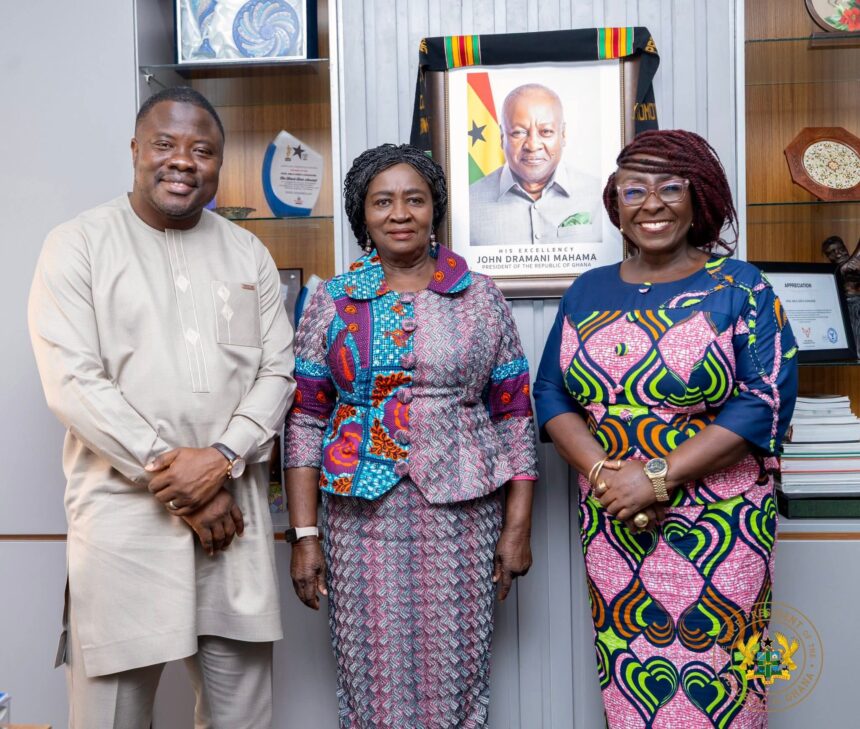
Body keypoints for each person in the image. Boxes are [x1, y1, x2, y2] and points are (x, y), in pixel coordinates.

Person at [28, 86, 295, 729]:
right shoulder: (78, 244)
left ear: (219, 163)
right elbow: (74, 382)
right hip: (125, 522)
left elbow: (278, 371)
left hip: (233, 521)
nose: (182, 161)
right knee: (111, 716)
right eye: (165, 144)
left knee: (242, 719)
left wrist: (222, 458)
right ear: (135, 151)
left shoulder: (248, 253)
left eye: (202, 150)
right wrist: (184, 483)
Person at [534, 129, 798, 726]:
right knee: (633, 683)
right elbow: (551, 392)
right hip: (615, 525)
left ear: (698, 195)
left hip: (723, 529)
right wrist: (604, 474)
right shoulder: (587, 291)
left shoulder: (741, 287)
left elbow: (762, 401)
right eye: (635, 189)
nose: (651, 203)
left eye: (670, 187)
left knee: (724, 687)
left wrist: (655, 476)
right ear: (616, 201)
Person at [284, 143, 538, 728]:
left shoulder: (480, 297)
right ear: (362, 214)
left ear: (434, 210)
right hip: (359, 520)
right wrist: (305, 535)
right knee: (370, 673)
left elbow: (514, 413)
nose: (399, 213)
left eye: (414, 200)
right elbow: (306, 417)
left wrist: (517, 526)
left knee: (457, 672)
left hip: (462, 517)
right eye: (382, 202)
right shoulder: (334, 300)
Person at [469, 82, 601, 246]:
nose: (532, 145)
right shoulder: (469, 204)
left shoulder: (599, 196)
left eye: (546, 132)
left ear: (563, 134)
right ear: (502, 137)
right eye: (519, 132)